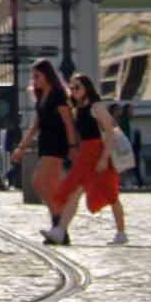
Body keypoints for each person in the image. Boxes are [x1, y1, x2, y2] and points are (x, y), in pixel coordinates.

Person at [52, 73, 128, 245]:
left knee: (111, 194)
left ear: (87, 88)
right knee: (74, 192)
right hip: (85, 154)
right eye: (72, 88)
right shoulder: (77, 108)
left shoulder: (97, 107)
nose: (74, 91)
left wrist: (104, 158)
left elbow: (109, 132)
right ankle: (60, 230)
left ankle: (121, 232)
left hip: (99, 152)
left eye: (77, 87)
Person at [15, 58, 74, 243]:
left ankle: (59, 224)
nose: (35, 79)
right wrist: (21, 147)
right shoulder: (41, 96)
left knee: (39, 182)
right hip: (45, 144)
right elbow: (35, 125)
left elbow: (68, 121)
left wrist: (72, 146)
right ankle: (59, 228)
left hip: (57, 144)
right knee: (48, 186)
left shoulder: (57, 94)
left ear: (47, 75)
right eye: (33, 76)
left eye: (37, 75)